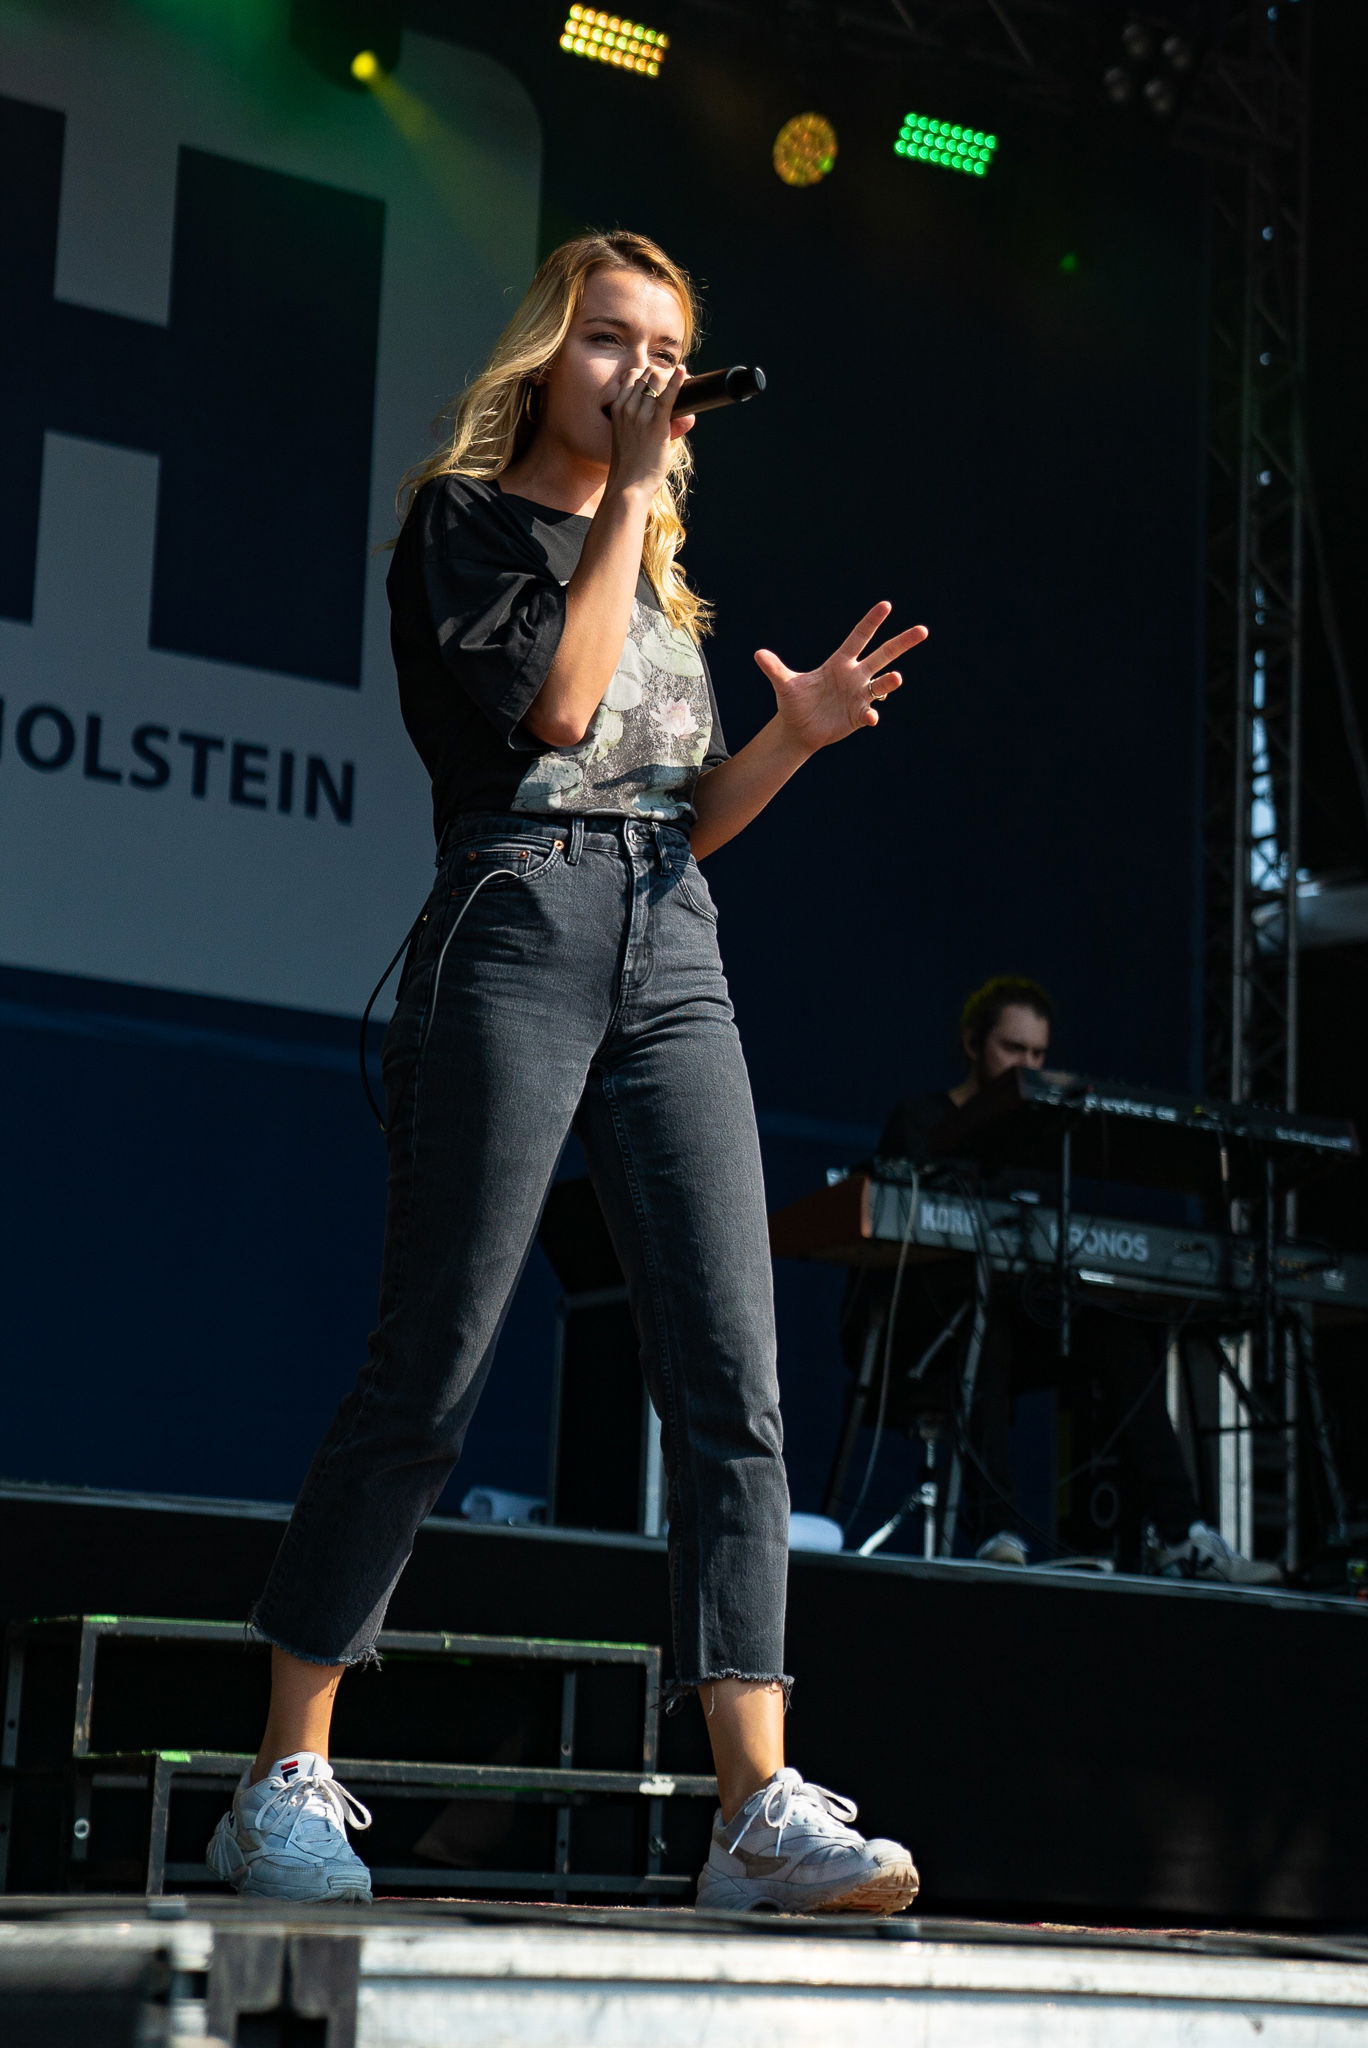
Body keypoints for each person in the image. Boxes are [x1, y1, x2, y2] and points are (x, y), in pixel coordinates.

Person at [205, 232, 927, 1914]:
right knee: (436, 1358)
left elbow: (679, 810)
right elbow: (555, 717)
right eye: (611, 342)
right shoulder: (467, 528)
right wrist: (622, 498)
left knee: (732, 1378)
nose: (641, 375)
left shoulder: (660, 571)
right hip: (517, 922)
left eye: (666, 348)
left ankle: (750, 1804)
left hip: (674, 943)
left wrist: (792, 738)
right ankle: (282, 1769)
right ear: (549, 357)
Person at [850, 975, 1281, 1585]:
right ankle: (997, 1533)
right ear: (973, 1045)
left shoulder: (1044, 1140)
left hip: (1013, 1327)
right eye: (1011, 1049)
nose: (1025, 1065)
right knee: (987, 1320)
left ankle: (1182, 1534)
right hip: (931, 1332)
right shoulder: (921, 1120)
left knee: (1114, 1329)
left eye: (1038, 1054)